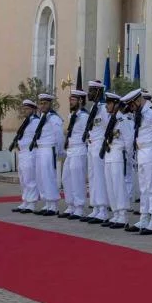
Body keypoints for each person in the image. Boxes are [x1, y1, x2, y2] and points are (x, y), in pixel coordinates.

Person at [121, 89, 152, 234]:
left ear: (138, 101)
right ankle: (144, 218)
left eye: (132, 105)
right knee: (144, 188)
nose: (131, 109)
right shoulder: (139, 113)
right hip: (141, 152)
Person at [97, 93, 134, 228]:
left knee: (119, 185)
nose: (106, 106)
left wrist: (129, 157)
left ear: (116, 104)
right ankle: (116, 214)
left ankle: (123, 215)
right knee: (110, 185)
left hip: (118, 155)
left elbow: (129, 141)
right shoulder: (110, 120)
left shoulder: (123, 120)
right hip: (109, 154)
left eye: (109, 103)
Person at [81, 81, 111, 223]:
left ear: (99, 92)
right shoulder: (94, 108)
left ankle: (103, 209)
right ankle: (96, 207)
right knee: (92, 178)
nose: (89, 93)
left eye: (91, 91)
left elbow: (107, 129)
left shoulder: (104, 109)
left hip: (99, 146)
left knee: (100, 178)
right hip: (91, 145)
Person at [30, 93, 64, 215]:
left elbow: (59, 136)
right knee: (41, 177)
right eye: (41, 103)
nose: (42, 105)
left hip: (49, 149)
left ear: (50, 104)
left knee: (49, 177)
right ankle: (47, 203)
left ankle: (53, 205)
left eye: (45, 103)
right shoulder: (42, 118)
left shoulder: (54, 118)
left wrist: (59, 151)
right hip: (40, 149)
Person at [60, 89, 91, 219]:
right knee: (66, 178)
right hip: (71, 150)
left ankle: (79, 207)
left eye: (73, 99)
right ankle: (70, 204)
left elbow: (89, 134)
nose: (70, 102)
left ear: (80, 101)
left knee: (78, 179)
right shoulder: (71, 115)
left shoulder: (84, 117)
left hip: (79, 149)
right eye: (70, 99)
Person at [9, 99, 39, 213]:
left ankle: (31, 203)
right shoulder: (26, 121)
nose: (25, 111)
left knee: (29, 178)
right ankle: (25, 201)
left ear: (33, 109)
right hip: (22, 153)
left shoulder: (36, 121)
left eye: (27, 109)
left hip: (30, 152)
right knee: (22, 178)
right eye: (24, 109)